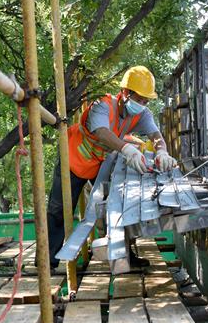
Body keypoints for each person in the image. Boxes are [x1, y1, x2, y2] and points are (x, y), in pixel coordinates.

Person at [43, 66, 176, 272]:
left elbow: (156, 135)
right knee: (58, 210)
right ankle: (47, 264)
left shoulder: (142, 114)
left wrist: (162, 152)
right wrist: (127, 149)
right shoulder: (102, 106)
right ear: (125, 93)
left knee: (118, 204)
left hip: (99, 164)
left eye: (145, 101)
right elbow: (103, 132)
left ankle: (123, 257)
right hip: (73, 159)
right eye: (139, 99)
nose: (142, 105)